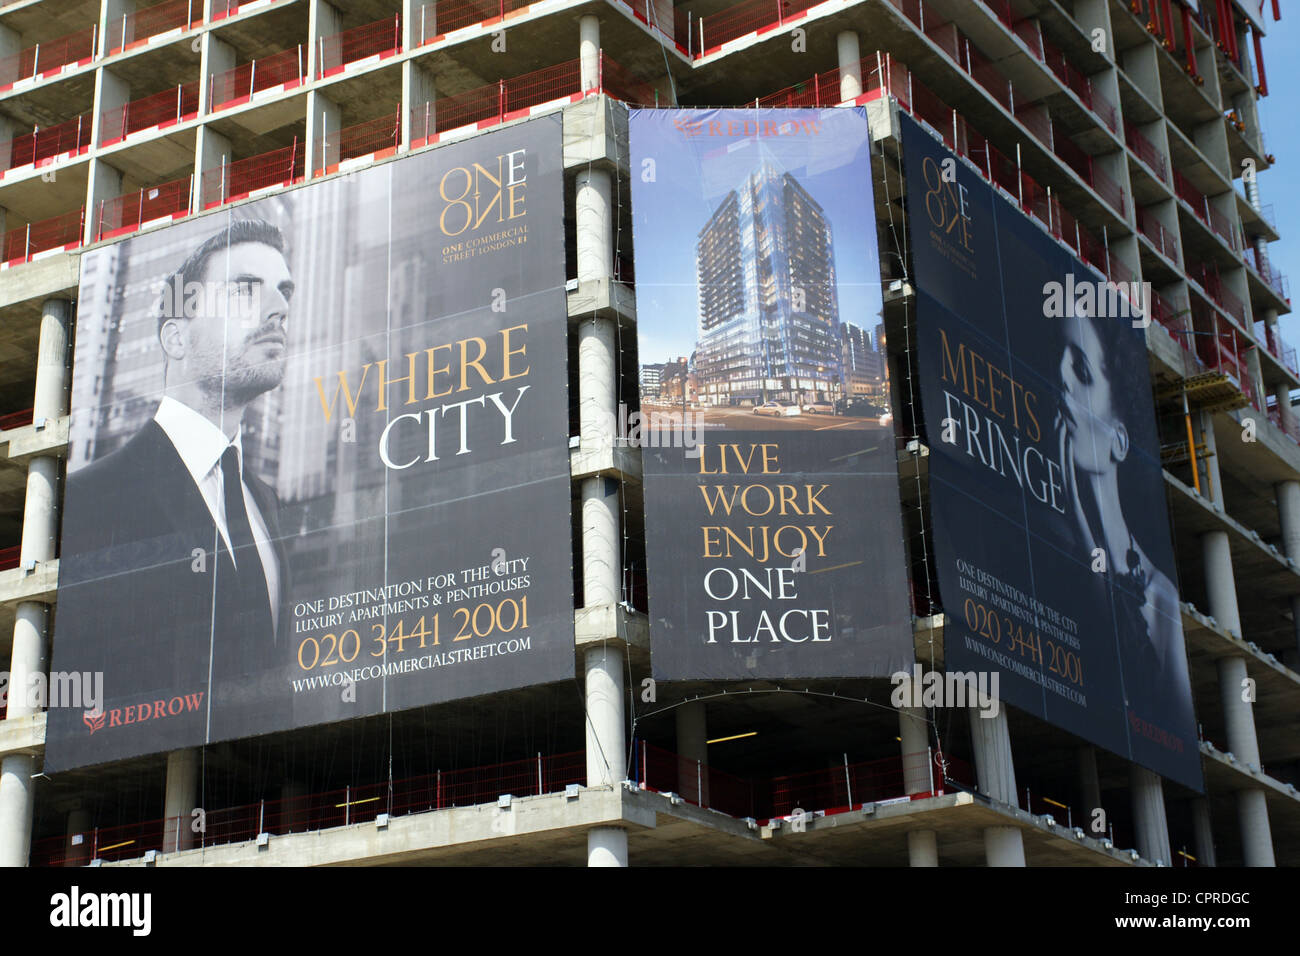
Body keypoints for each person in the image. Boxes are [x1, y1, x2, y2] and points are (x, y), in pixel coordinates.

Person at [57, 218, 295, 758]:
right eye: (245, 291)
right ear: (176, 336)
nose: (278, 309)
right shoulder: (93, 499)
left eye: (284, 292)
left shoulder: (267, 504)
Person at [1054, 305, 1194, 737]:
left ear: (1119, 440)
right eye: (1059, 357)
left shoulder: (1161, 598)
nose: (1060, 375)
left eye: (1080, 369)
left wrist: (1077, 508)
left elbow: (1177, 732)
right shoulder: (1044, 541)